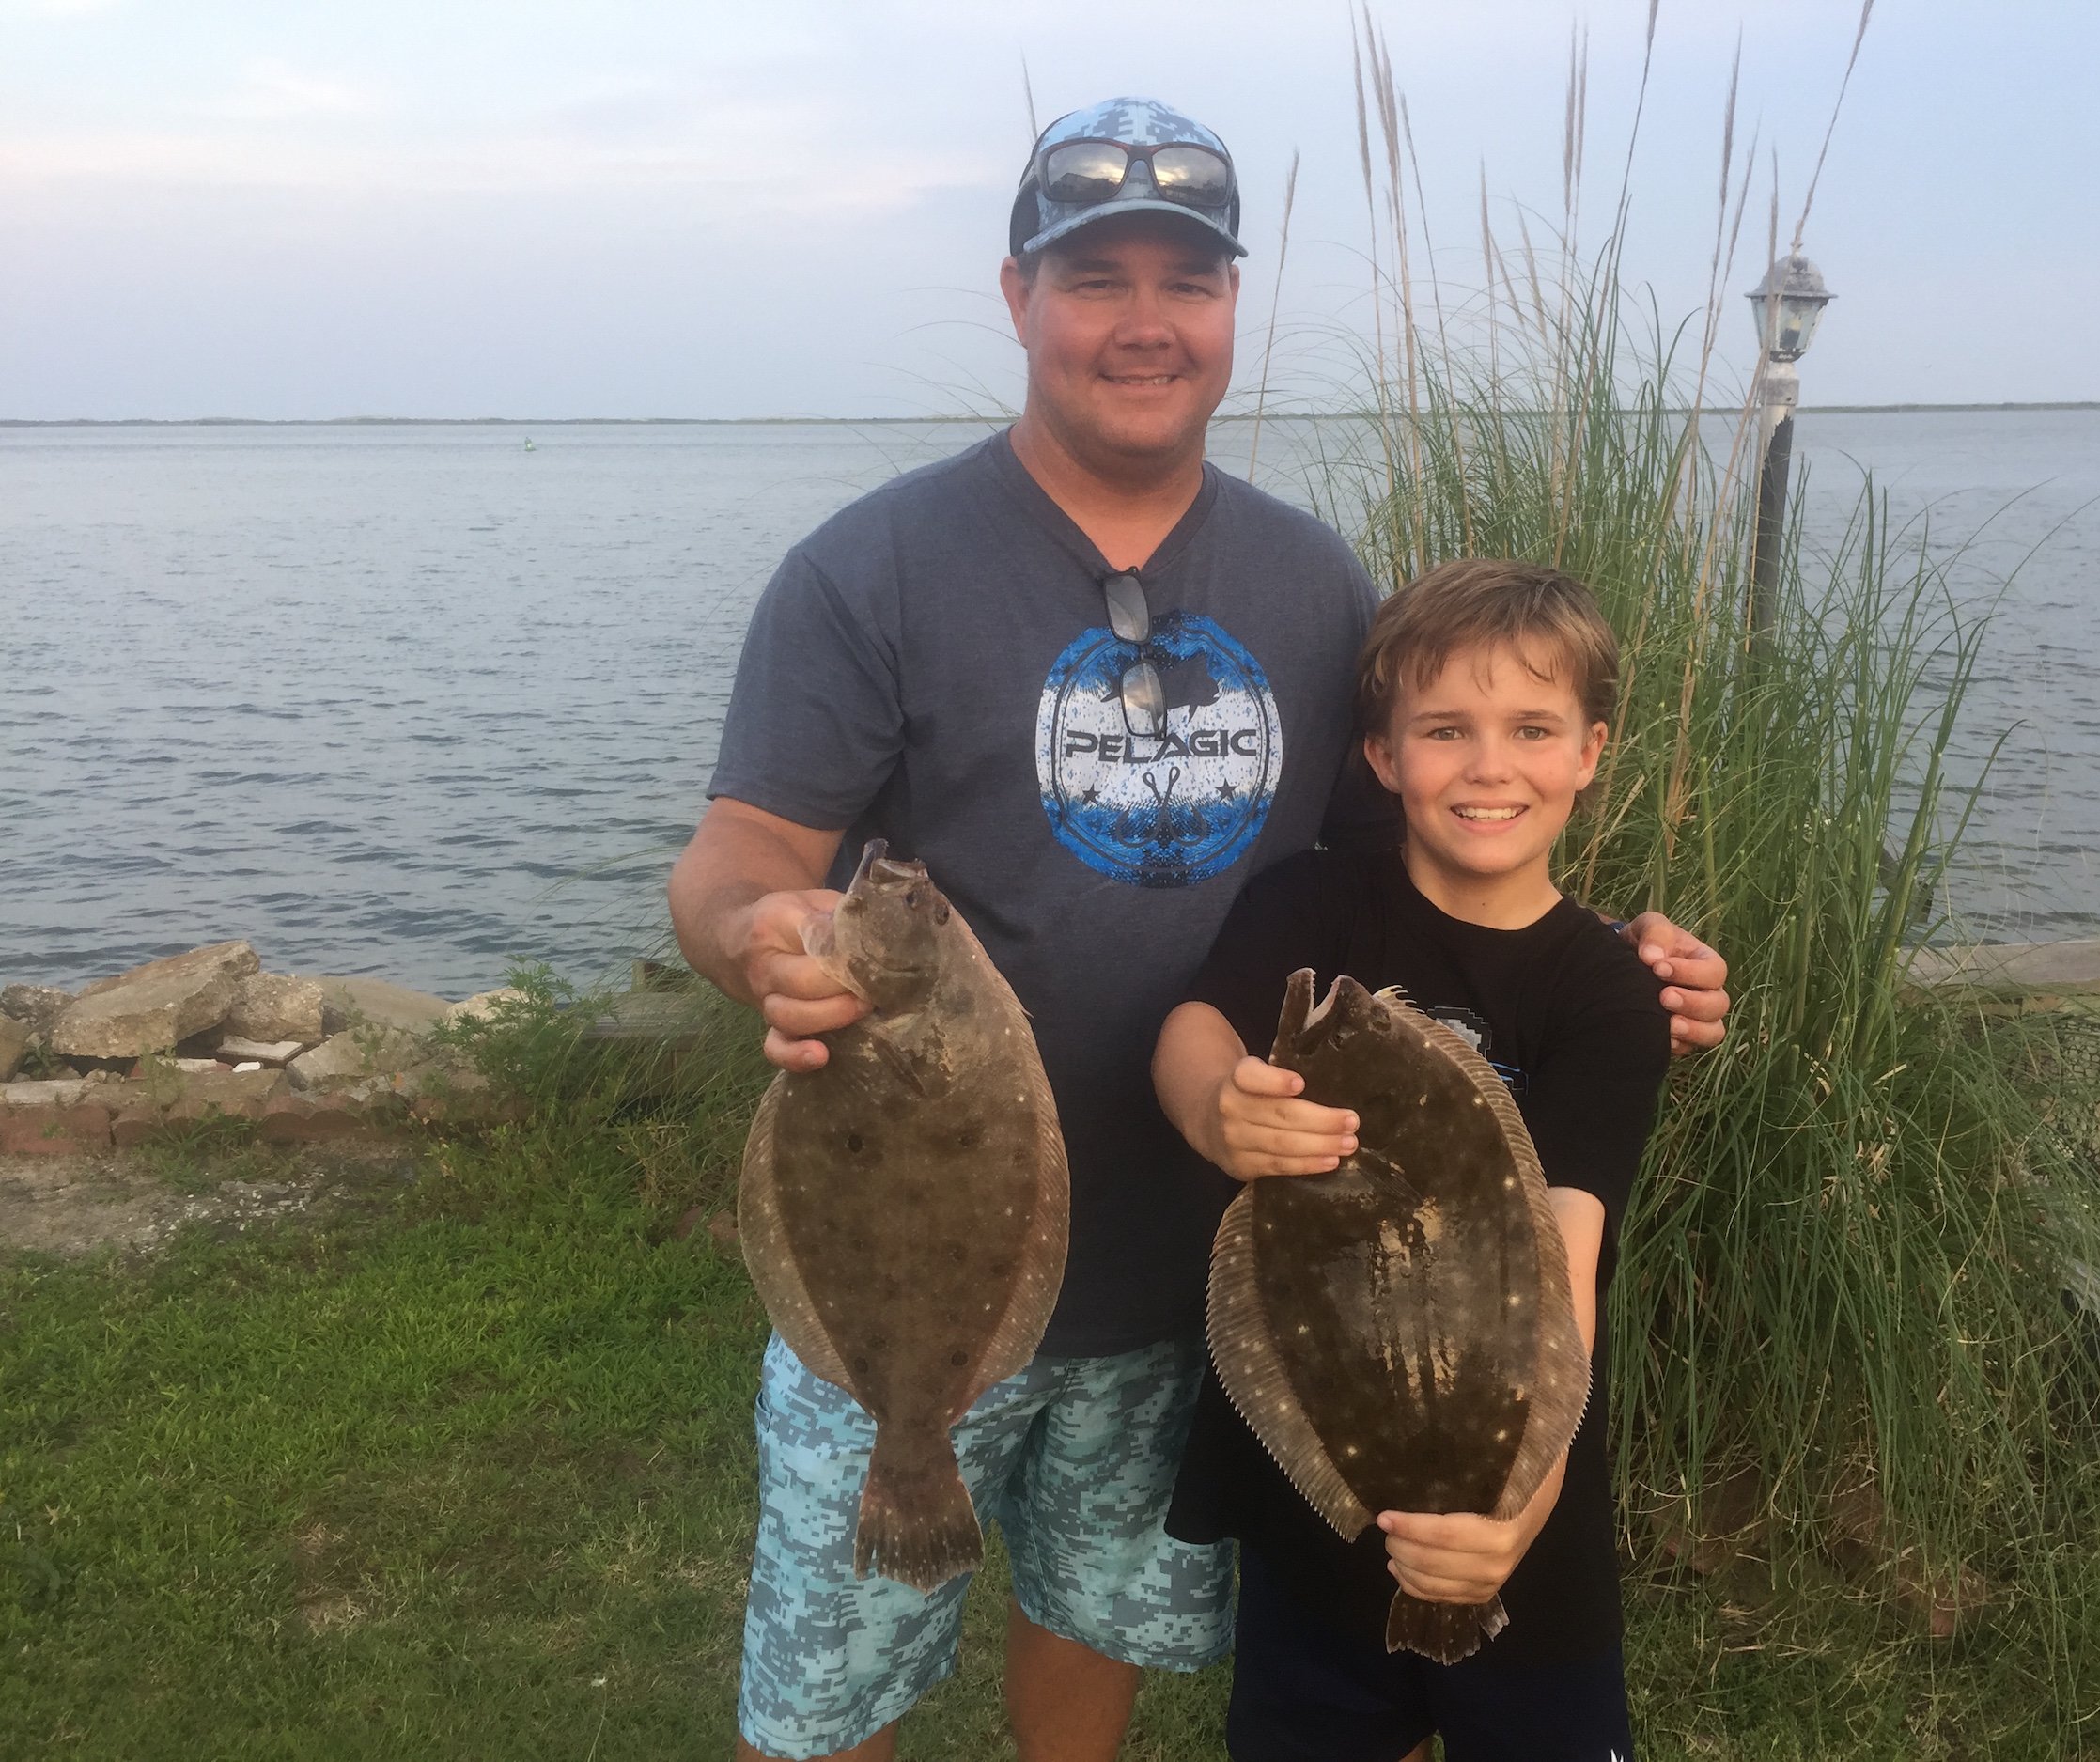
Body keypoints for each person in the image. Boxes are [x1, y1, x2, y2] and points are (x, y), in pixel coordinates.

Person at [666, 97, 1728, 1762]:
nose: (1144, 322)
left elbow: (1425, 872)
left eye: (1189, 279)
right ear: (1018, 297)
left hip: (1193, 1279)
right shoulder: (868, 567)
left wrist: (1610, 955)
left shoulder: (1312, 583)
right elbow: (736, 855)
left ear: (1234, 311)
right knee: (831, 1698)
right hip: (909, 1267)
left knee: (1095, 1637)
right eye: (1097, 279)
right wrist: (761, 935)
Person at [1154, 558, 1667, 1762]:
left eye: (1531, 728)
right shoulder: (1311, 907)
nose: (1490, 765)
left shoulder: (1604, 997)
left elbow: (1566, 1269)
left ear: (1590, 753)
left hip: (1515, 1501)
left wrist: (1513, 1516)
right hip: (1320, 1478)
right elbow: (1198, 1026)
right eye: (1445, 729)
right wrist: (1214, 1110)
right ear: (1383, 757)